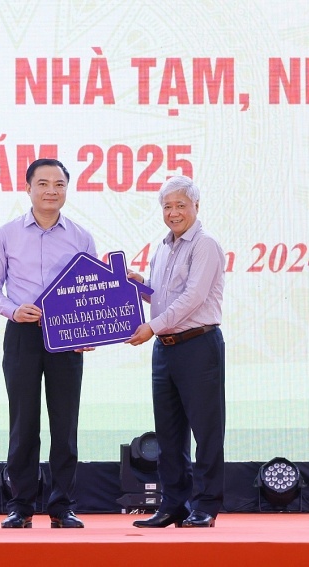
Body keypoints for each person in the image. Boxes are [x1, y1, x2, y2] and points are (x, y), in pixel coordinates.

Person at [0, 158, 96, 529]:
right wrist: (14, 311)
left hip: (67, 336)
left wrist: (89, 331)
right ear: (28, 188)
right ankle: (21, 505)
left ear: (67, 189)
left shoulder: (81, 237)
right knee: (23, 423)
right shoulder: (6, 234)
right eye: (43, 183)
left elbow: (91, 292)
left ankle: (62, 506)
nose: (51, 191)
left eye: (59, 184)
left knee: (65, 424)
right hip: (23, 334)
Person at [126, 175, 226, 528]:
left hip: (198, 344)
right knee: (169, 434)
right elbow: (162, 298)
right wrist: (138, 286)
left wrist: (152, 326)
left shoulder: (205, 244)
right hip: (165, 348)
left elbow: (192, 298)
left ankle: (206, 505)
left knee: (206, 430)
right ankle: (174, 504)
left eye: (180, 205)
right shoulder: (163, 247)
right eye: (167, 206)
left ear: (196, 206)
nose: (173, 212)